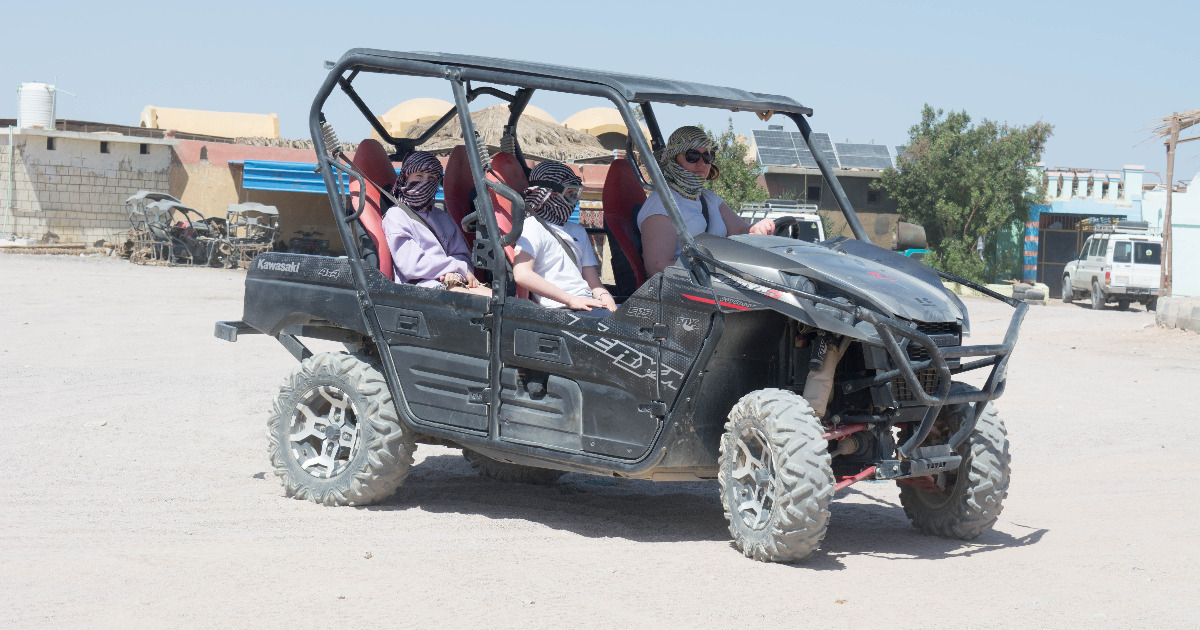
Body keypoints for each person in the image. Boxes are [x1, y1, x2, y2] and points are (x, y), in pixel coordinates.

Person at [636, 126, 776, 276]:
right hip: (685, 291)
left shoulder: (709, 198)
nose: (702, 163)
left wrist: (757, 229)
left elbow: (743, 231)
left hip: (716, 284)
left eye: (707, 156)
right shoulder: (661, 203)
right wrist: (716, 274)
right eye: (692, 155)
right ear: (674, 159)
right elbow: (658, 267)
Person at [513, 161, 617, 317]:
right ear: (550, 194)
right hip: (560, 309)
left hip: (587, 304)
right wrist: (571, 300)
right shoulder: (532, 226)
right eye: (569, 193)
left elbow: (594, 284)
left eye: (575, 193)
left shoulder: (578, 231)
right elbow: (522, 274)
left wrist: (605, 297)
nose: (574, 200)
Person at [381, 151, 489, 296]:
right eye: (419, 176)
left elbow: (461, 255)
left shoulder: (442, 217)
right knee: (487, 306)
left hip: (451, 281)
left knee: (498, 302)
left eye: (431, 178)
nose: (425, 182)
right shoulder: (397, 216)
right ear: (406, 177)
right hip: (417, 287)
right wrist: (455, 267)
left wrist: (456, 274)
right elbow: (412, 266)